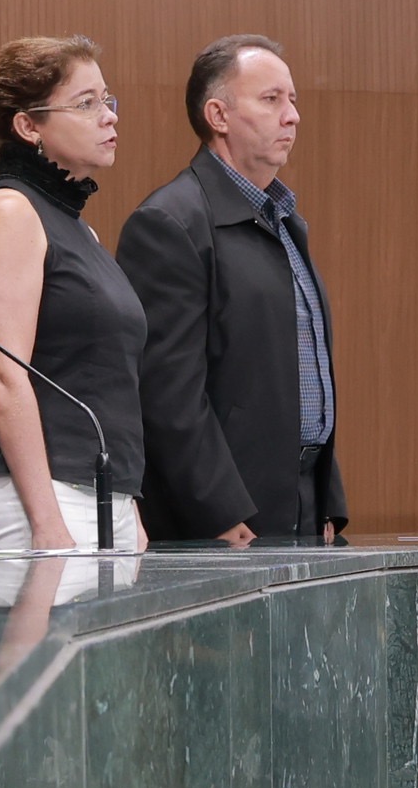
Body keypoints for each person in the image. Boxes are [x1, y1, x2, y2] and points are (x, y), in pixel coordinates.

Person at [119, 34, 345, 547]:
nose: (293, 116)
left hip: (302, 505)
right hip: (227, 519)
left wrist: (327, 499)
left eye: (293, 100)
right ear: (218, 115)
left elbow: (307, 373)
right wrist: (217, 509)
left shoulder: (285, 221)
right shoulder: (170, 223)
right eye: (272, 99)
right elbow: (167, 393)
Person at [0, 37, 145, 559]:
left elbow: (102, 383)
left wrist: (130, 513)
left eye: (107, 99)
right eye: (86, 103)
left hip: (106, 500)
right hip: (42, 504)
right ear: (28, 126)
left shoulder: (80, 230)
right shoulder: (10, 210)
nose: (109, 116)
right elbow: (5, 378)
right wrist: (48, 524)